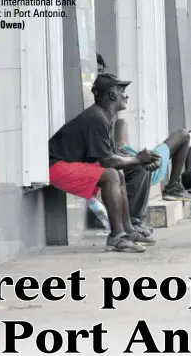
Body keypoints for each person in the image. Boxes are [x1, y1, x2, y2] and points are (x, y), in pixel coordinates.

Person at [48, 73, 160, 252]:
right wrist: (139, 159)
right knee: (111, 175)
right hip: (55, 167)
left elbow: (110, 156)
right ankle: (116, 237)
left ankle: (128, 231)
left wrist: (141, 161)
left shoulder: (103, 116)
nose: (126, 95)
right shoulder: (97, 118)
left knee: (119, 173)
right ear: (112, 94)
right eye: (122, 90)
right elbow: (107, 161)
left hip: (67, 165)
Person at [113, 118, 191, 232]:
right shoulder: (144, 167)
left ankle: (173, 186)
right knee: (184, 134)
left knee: (121, 122)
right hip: (137, 162)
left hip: (126, 156)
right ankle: (173, 186)